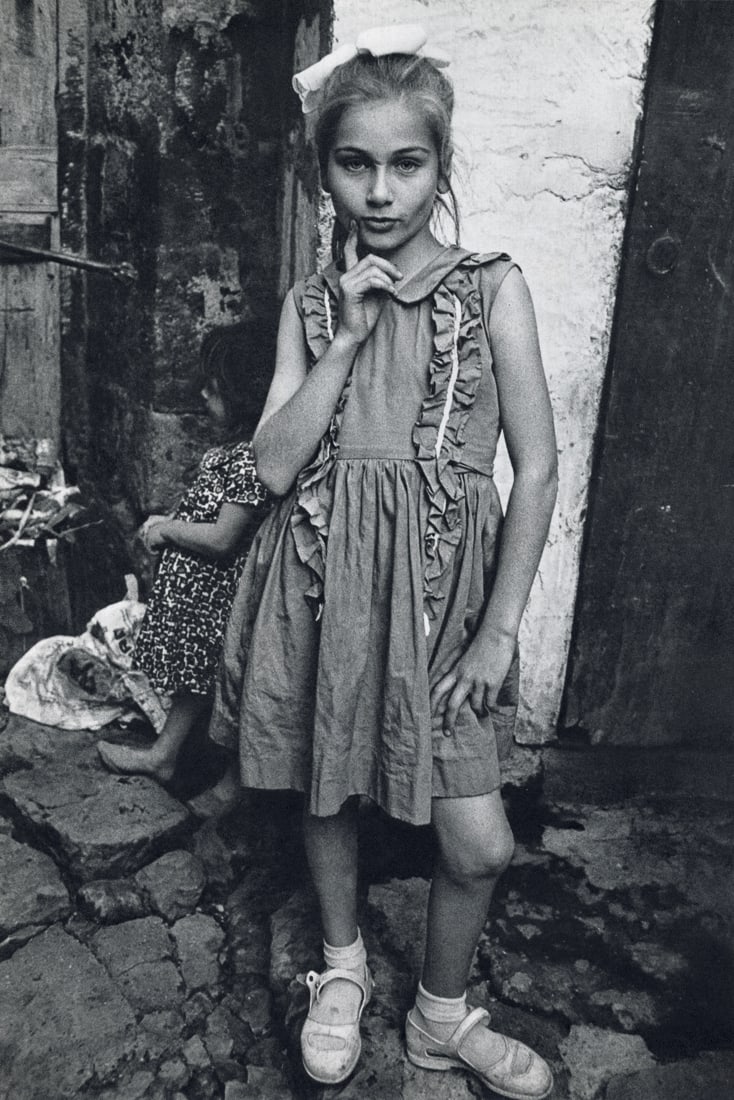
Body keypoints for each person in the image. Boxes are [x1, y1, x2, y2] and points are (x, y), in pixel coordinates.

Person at [210, 24, 558, 1097]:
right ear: (324, 172)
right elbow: (269, 466)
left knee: (479, 842)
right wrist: (349, 338)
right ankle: (344, 965)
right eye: (353, 163)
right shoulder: (311, 307)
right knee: (326, 788)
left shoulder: (491, 290)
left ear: (438, 169)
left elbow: (537, 469)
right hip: (321, 586)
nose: (379, 189)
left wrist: (499, 627)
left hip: (445, 606)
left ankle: (440, 1017)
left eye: (405, 163)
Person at [98, 320, 272, 810]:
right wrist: (170, 518)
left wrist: (168, 531)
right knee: (196, 683)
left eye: (212, 390)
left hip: (219, 603)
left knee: (228, 686)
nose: (201, 395)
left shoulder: (250, 460)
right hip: (199, 602)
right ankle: (169, 755)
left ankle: (230, 782)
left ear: (241, 397)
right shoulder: (229, 456)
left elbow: (223, 537)